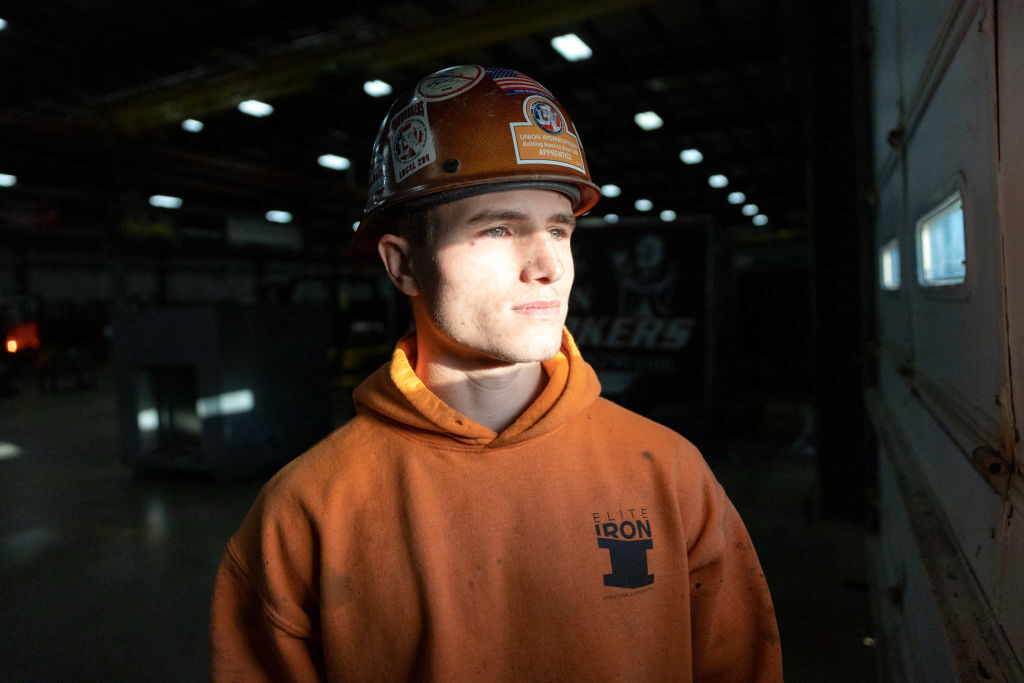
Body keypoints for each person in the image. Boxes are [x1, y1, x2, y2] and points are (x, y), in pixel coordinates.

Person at [209, 65, 782, 682]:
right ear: (404, 266)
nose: (547, 266)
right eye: (499, 228)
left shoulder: (669, 474)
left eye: (558, 229)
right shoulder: (307, 512)